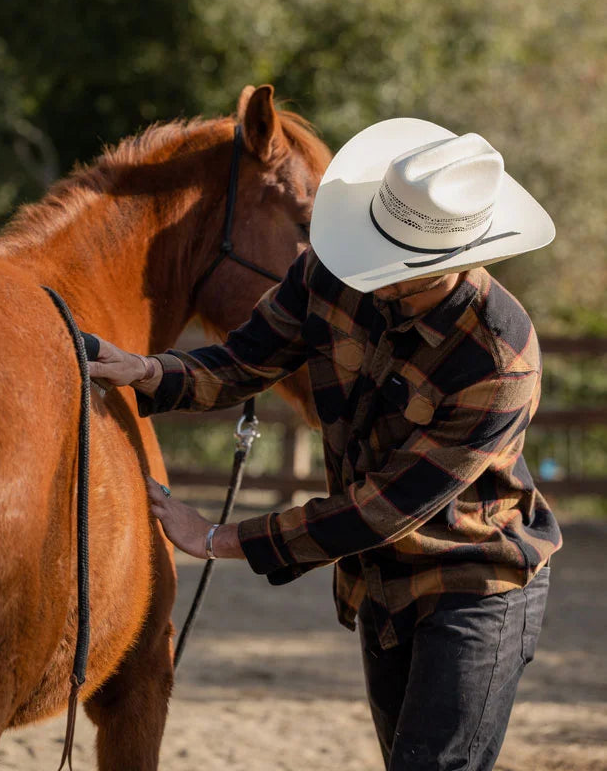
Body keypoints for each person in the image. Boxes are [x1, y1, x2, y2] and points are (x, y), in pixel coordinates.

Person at [86, 117, 562, 771]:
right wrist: (146, 371)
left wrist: (220, 539)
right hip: (379, 578)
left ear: (456, 258)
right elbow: (244, 361)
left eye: (400, 265)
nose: (372, 272)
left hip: (474, 578)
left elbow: (384, 508)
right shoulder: (332, 271)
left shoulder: (498, 360)